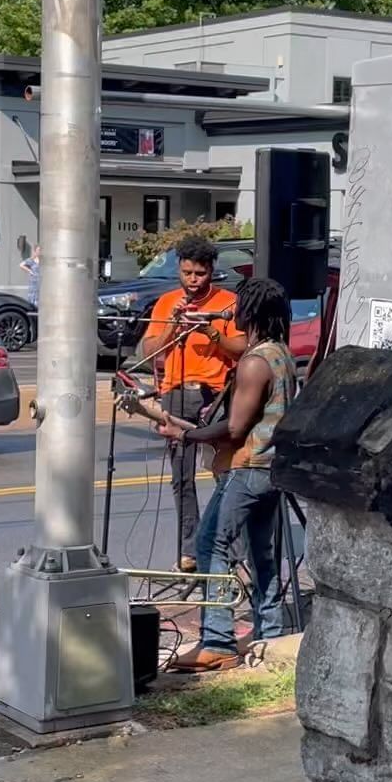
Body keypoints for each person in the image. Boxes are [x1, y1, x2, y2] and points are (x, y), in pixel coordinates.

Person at [158, 277, 297, 672]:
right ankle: (270, 634)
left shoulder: (255, 362)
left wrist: (187, 435)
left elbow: (235, 429)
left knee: (210, 544)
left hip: (249, 467)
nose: (232, 310)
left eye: (239, 305)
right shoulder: (282, 354)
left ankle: (217, 641)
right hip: (272, 470)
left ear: (250, 312)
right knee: (261, 554)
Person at [139, 235, 243, 570]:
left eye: (200, 273)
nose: (193, 280)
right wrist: (173, 325)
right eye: (187, 273)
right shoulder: (167, 302)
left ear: (211, 271)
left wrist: (212, 332)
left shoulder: (228, 303)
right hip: (176, 391)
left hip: (215, 394)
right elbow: (148, 351)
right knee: (181, 478)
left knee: (224, 471)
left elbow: (242, 348)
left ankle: (232, 550)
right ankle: (190, 550)